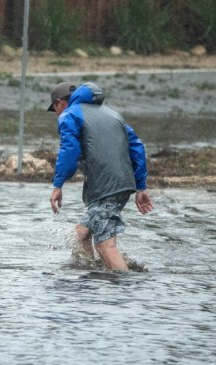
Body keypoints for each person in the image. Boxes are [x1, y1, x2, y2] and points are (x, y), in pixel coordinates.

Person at [47, 81, 154, 271]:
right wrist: (141, 187)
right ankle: (92, 274)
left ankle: (124, 285)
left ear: (58, 103)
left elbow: (68, 151)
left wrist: (58, 184)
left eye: (54, 109)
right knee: (79, 236)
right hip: (120, 185)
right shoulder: (113, 115)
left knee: (105, 245)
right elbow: (137, 147)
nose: (56, 113)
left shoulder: (69, 115)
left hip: (106, 188)